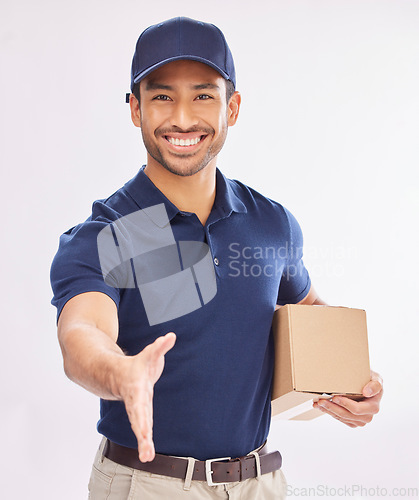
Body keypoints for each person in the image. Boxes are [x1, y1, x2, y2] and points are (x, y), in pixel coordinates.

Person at [50, 17, 383, 499]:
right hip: (148, 485)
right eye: (162, 96)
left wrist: (354, 382)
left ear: (233, 106)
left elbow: (307, 313)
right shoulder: (107, 234)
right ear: (135, 109)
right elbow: (82, 333)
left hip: (260, 482)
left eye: (203, 95)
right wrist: (120, 373)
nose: (183, 119)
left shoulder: (271, 223)